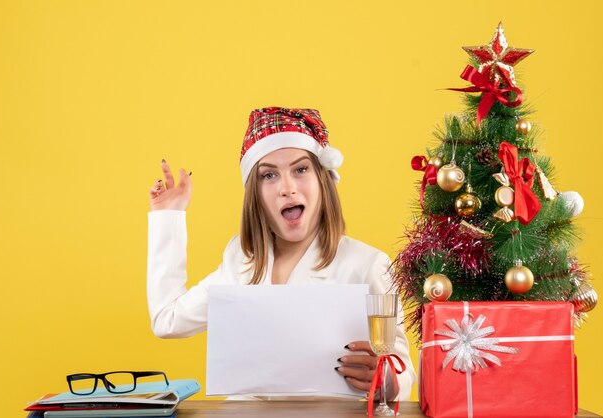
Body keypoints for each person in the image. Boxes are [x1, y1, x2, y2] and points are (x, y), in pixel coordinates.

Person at [147, 107, 415, 400]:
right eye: (269, 175)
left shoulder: (368, 265)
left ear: (322, 180)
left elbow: (402, 373)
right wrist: (168, 218)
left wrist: (385, 378)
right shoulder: (241, 260)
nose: (287, 188)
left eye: (300, 170)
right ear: (256, 195)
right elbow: (167, 321)